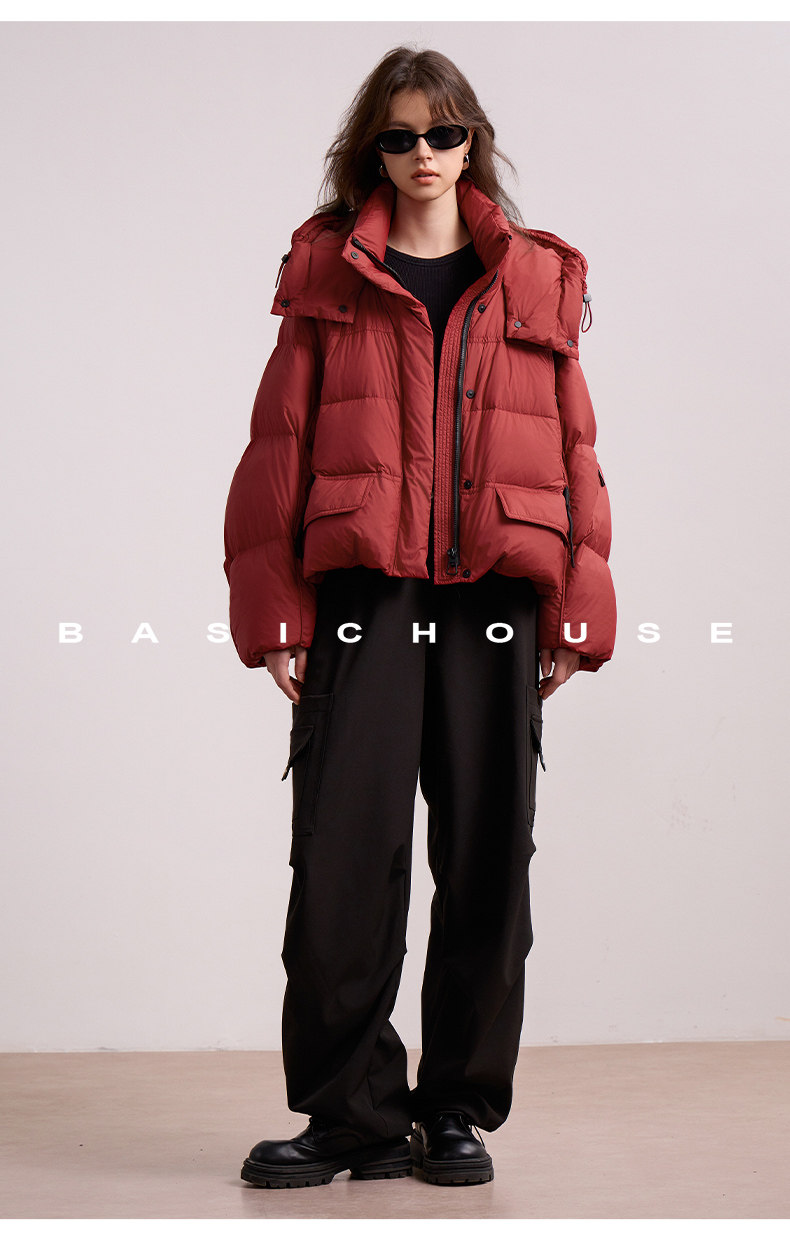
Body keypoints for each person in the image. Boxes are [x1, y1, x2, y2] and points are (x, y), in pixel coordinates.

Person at [223, 45, 616, 1189]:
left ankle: (454, 1110)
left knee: (488, 857)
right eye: (399, 137)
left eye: (443, 133)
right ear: (373, 151)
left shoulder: (536, 275)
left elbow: (575, 448)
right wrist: (276, 613)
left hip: (496, 596)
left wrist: (575, 608)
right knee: (341, 854)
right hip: (366, 594)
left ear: (471, 140)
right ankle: (352, 1111)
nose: (424, 154)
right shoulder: (328, 269)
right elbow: (278, 443)